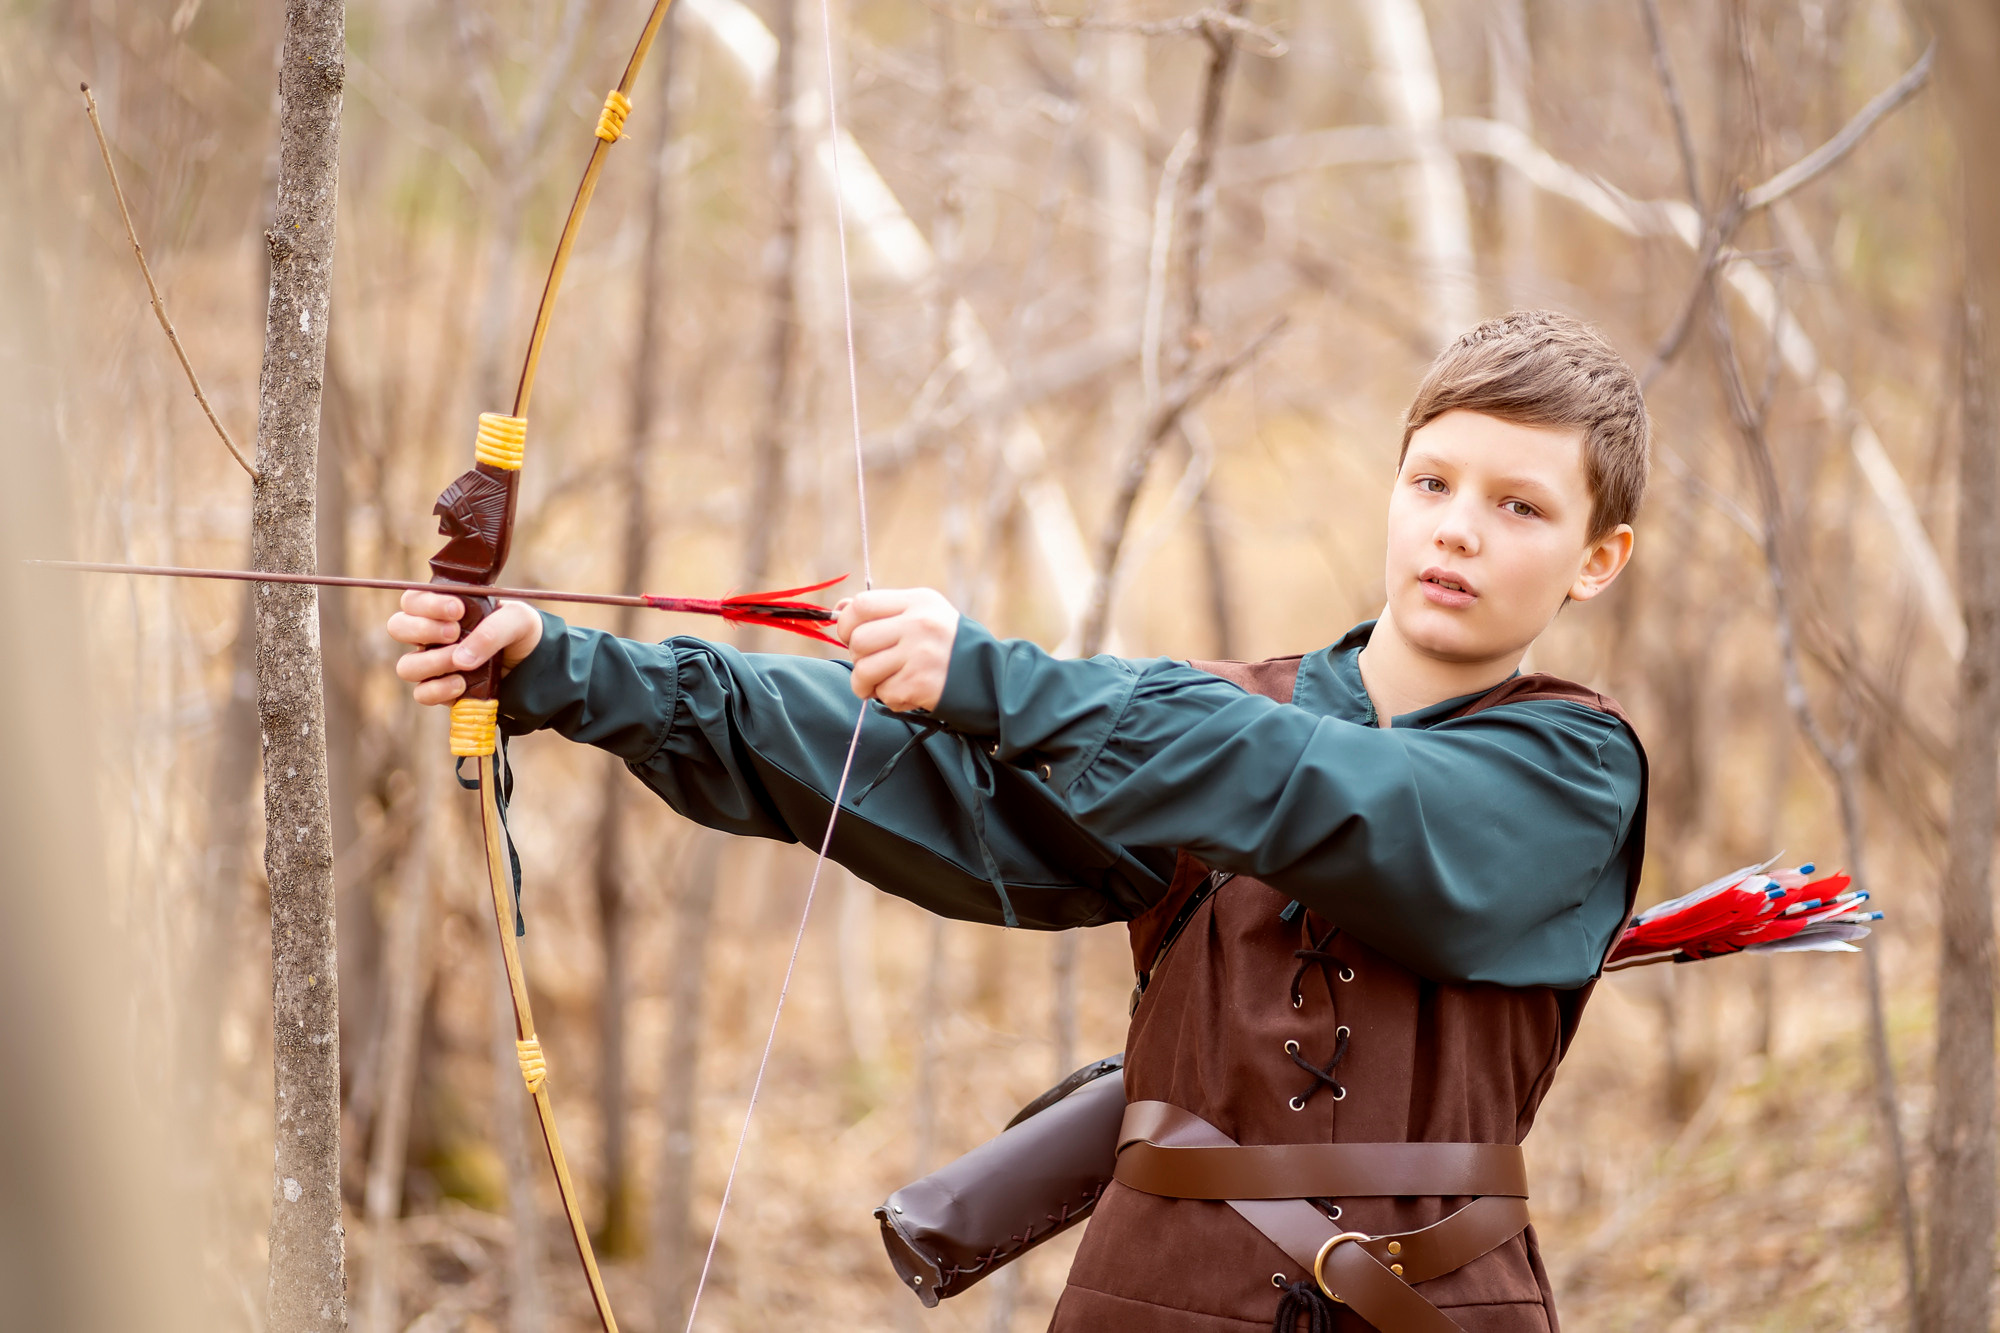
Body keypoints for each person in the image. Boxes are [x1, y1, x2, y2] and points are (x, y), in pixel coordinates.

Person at [387, 309, 1650, 1332]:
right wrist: (563, 667)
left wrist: (999, 681)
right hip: (1153, 1298)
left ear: (1598, 557)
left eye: (1518, 506)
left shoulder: (1574, 769)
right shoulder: (1207, 725)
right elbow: (916, 778)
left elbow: (1348, 798)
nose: (1455, 529)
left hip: (1442, 1305)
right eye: (1430, 480)